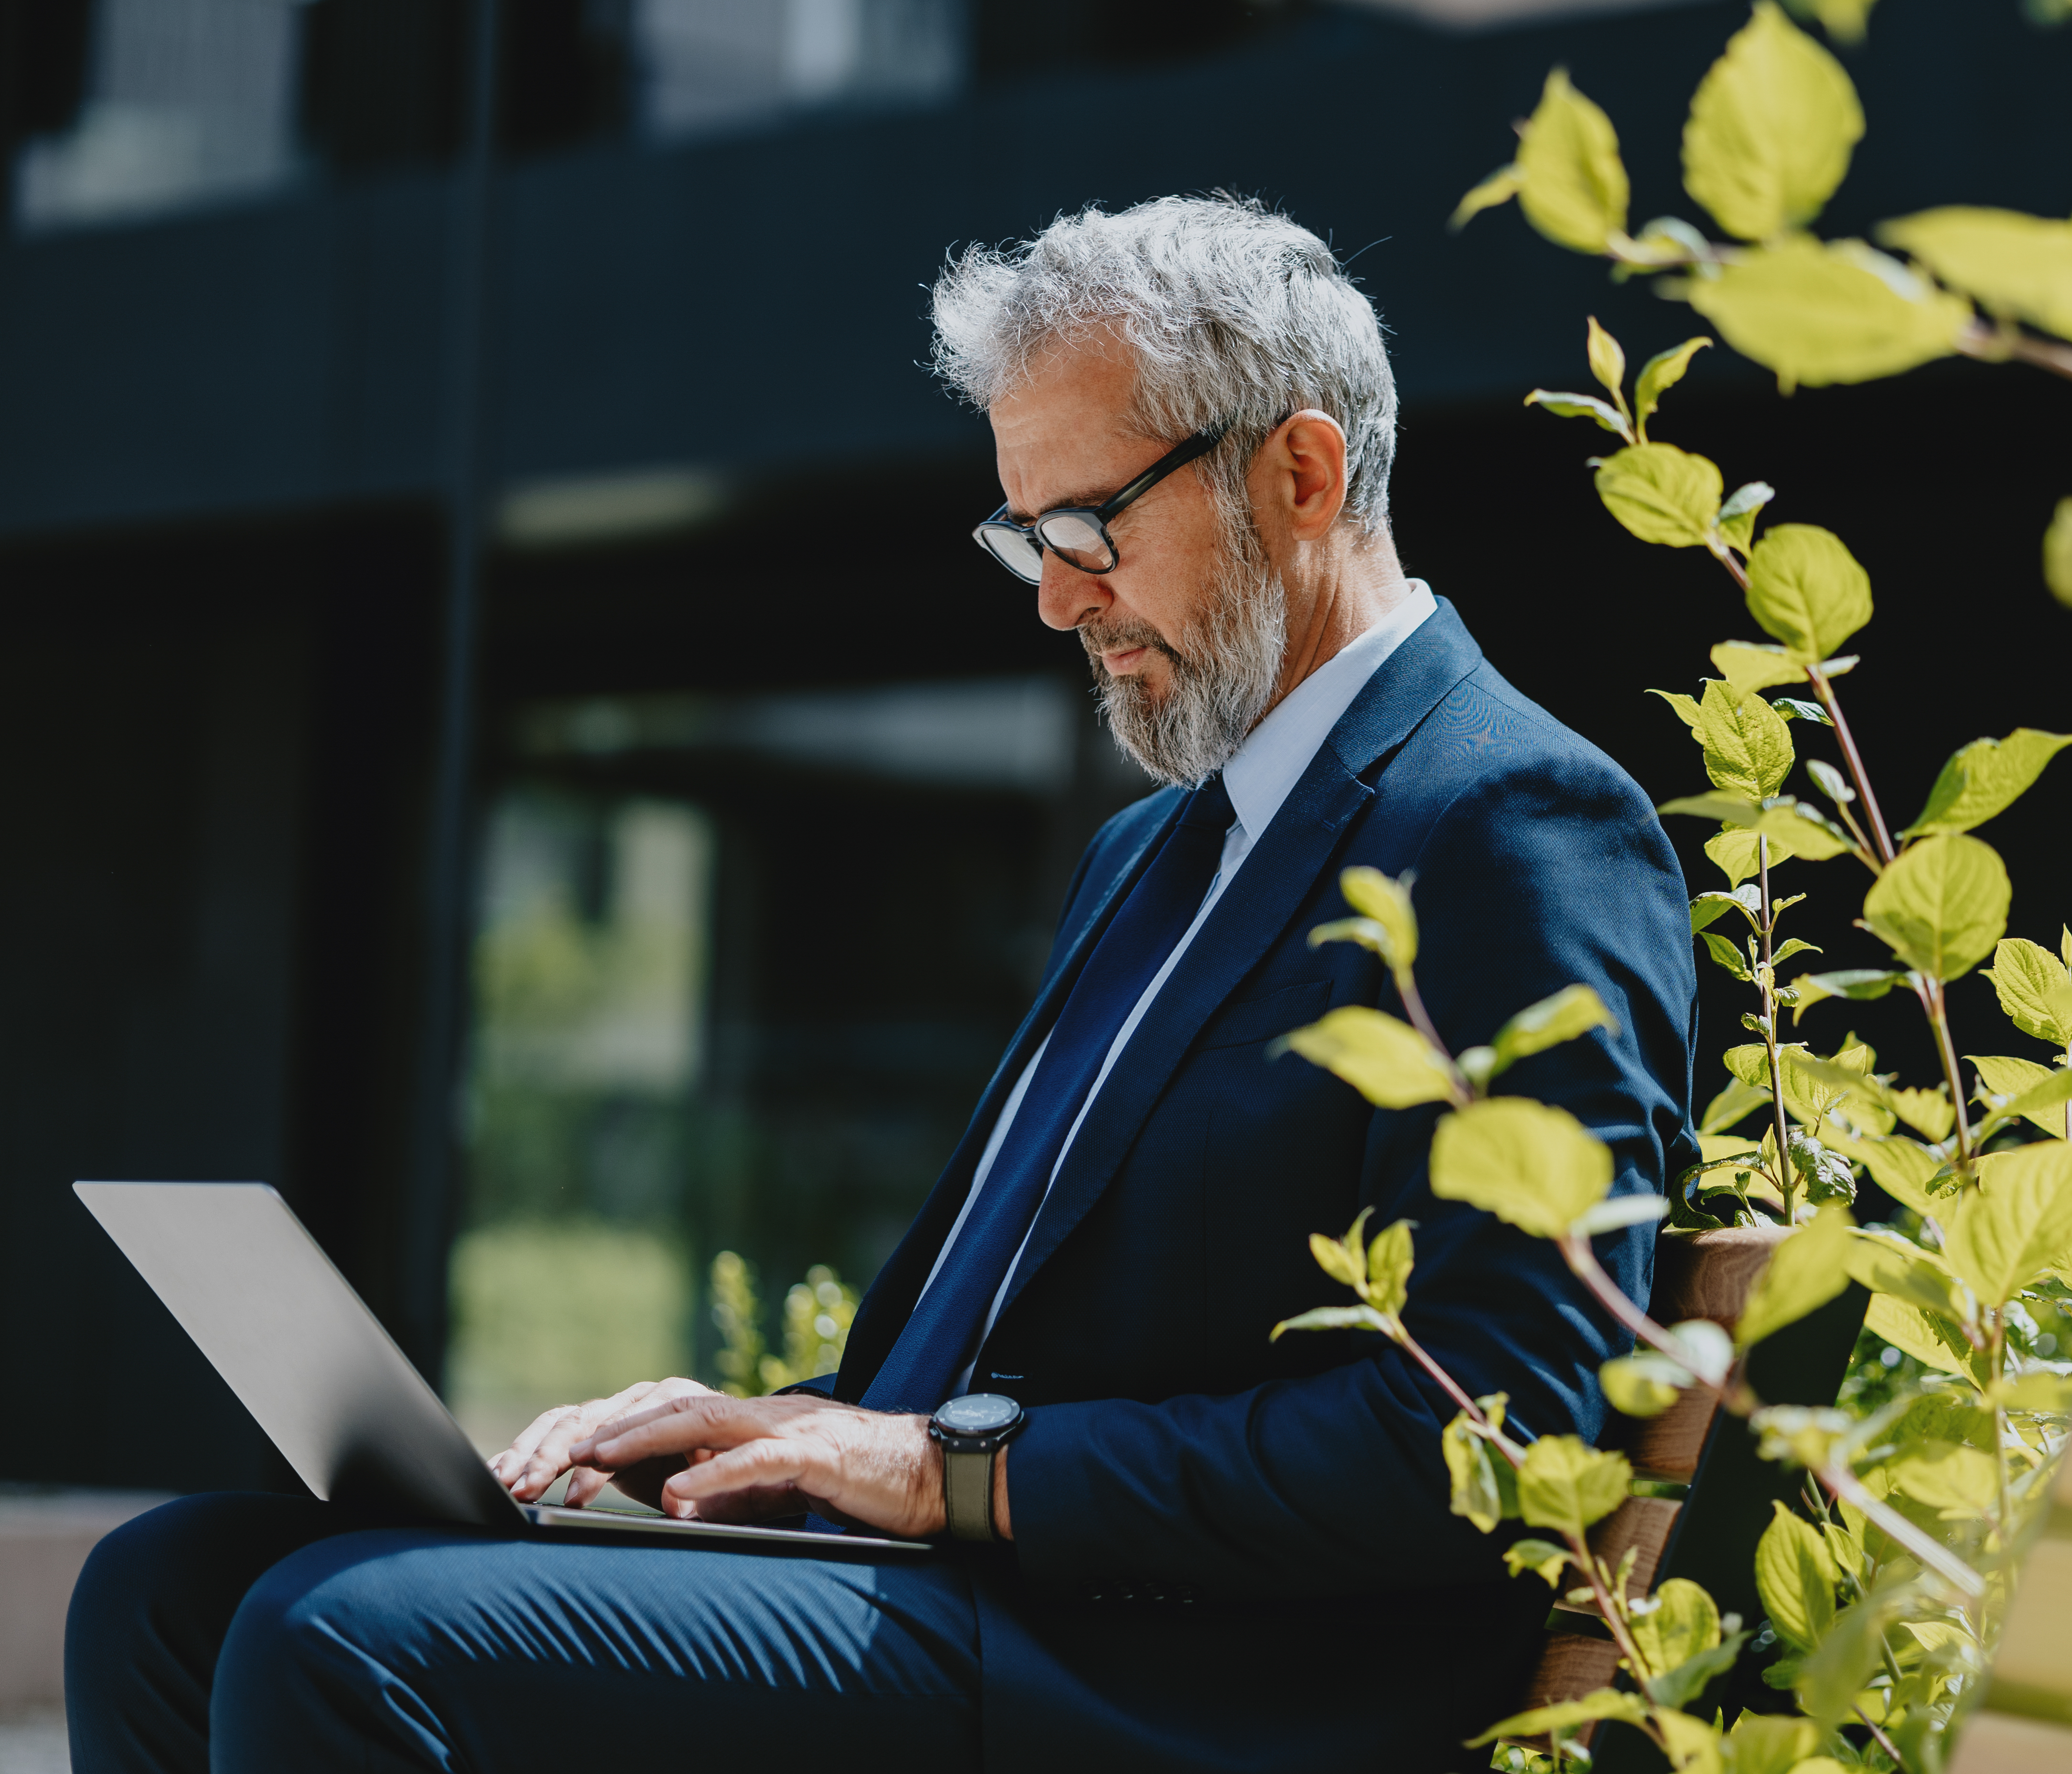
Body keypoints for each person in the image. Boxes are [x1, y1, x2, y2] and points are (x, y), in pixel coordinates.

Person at [66, 194, 1695, 1772]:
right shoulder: (1154, 856)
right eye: (1026, 538)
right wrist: (767, 1435)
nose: (1059, 598)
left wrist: (941, 1472)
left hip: (1186, 1684)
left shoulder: (1509, 825)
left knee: (341, 1637)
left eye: (1088, 529)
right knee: (167, 1593)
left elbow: (1504, 1436)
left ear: (1300, 473)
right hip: (977, 1602)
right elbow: (1002, 1360)